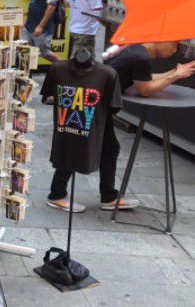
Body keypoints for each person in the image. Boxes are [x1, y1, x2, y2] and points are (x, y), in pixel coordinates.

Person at [47, 41, 195, 213]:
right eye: (174, 44)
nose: (175, 49)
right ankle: (58, 195)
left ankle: (107, 196)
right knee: (78, 145)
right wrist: (176, 76)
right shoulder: (142, 57)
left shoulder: (139, 51)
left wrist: (176, 71)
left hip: (94, 100)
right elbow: (145, 89)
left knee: (107, 148)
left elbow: (145, 78)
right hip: (93, 103)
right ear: (160, 39)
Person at [21, 0, 60, 64]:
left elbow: (51, 7)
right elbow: (34, 3)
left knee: (45, 53)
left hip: (42, 28)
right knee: (24, 50)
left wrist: (41, 26)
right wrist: (26, 20)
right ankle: (26, 76)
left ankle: (63, 66)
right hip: (29, 26)